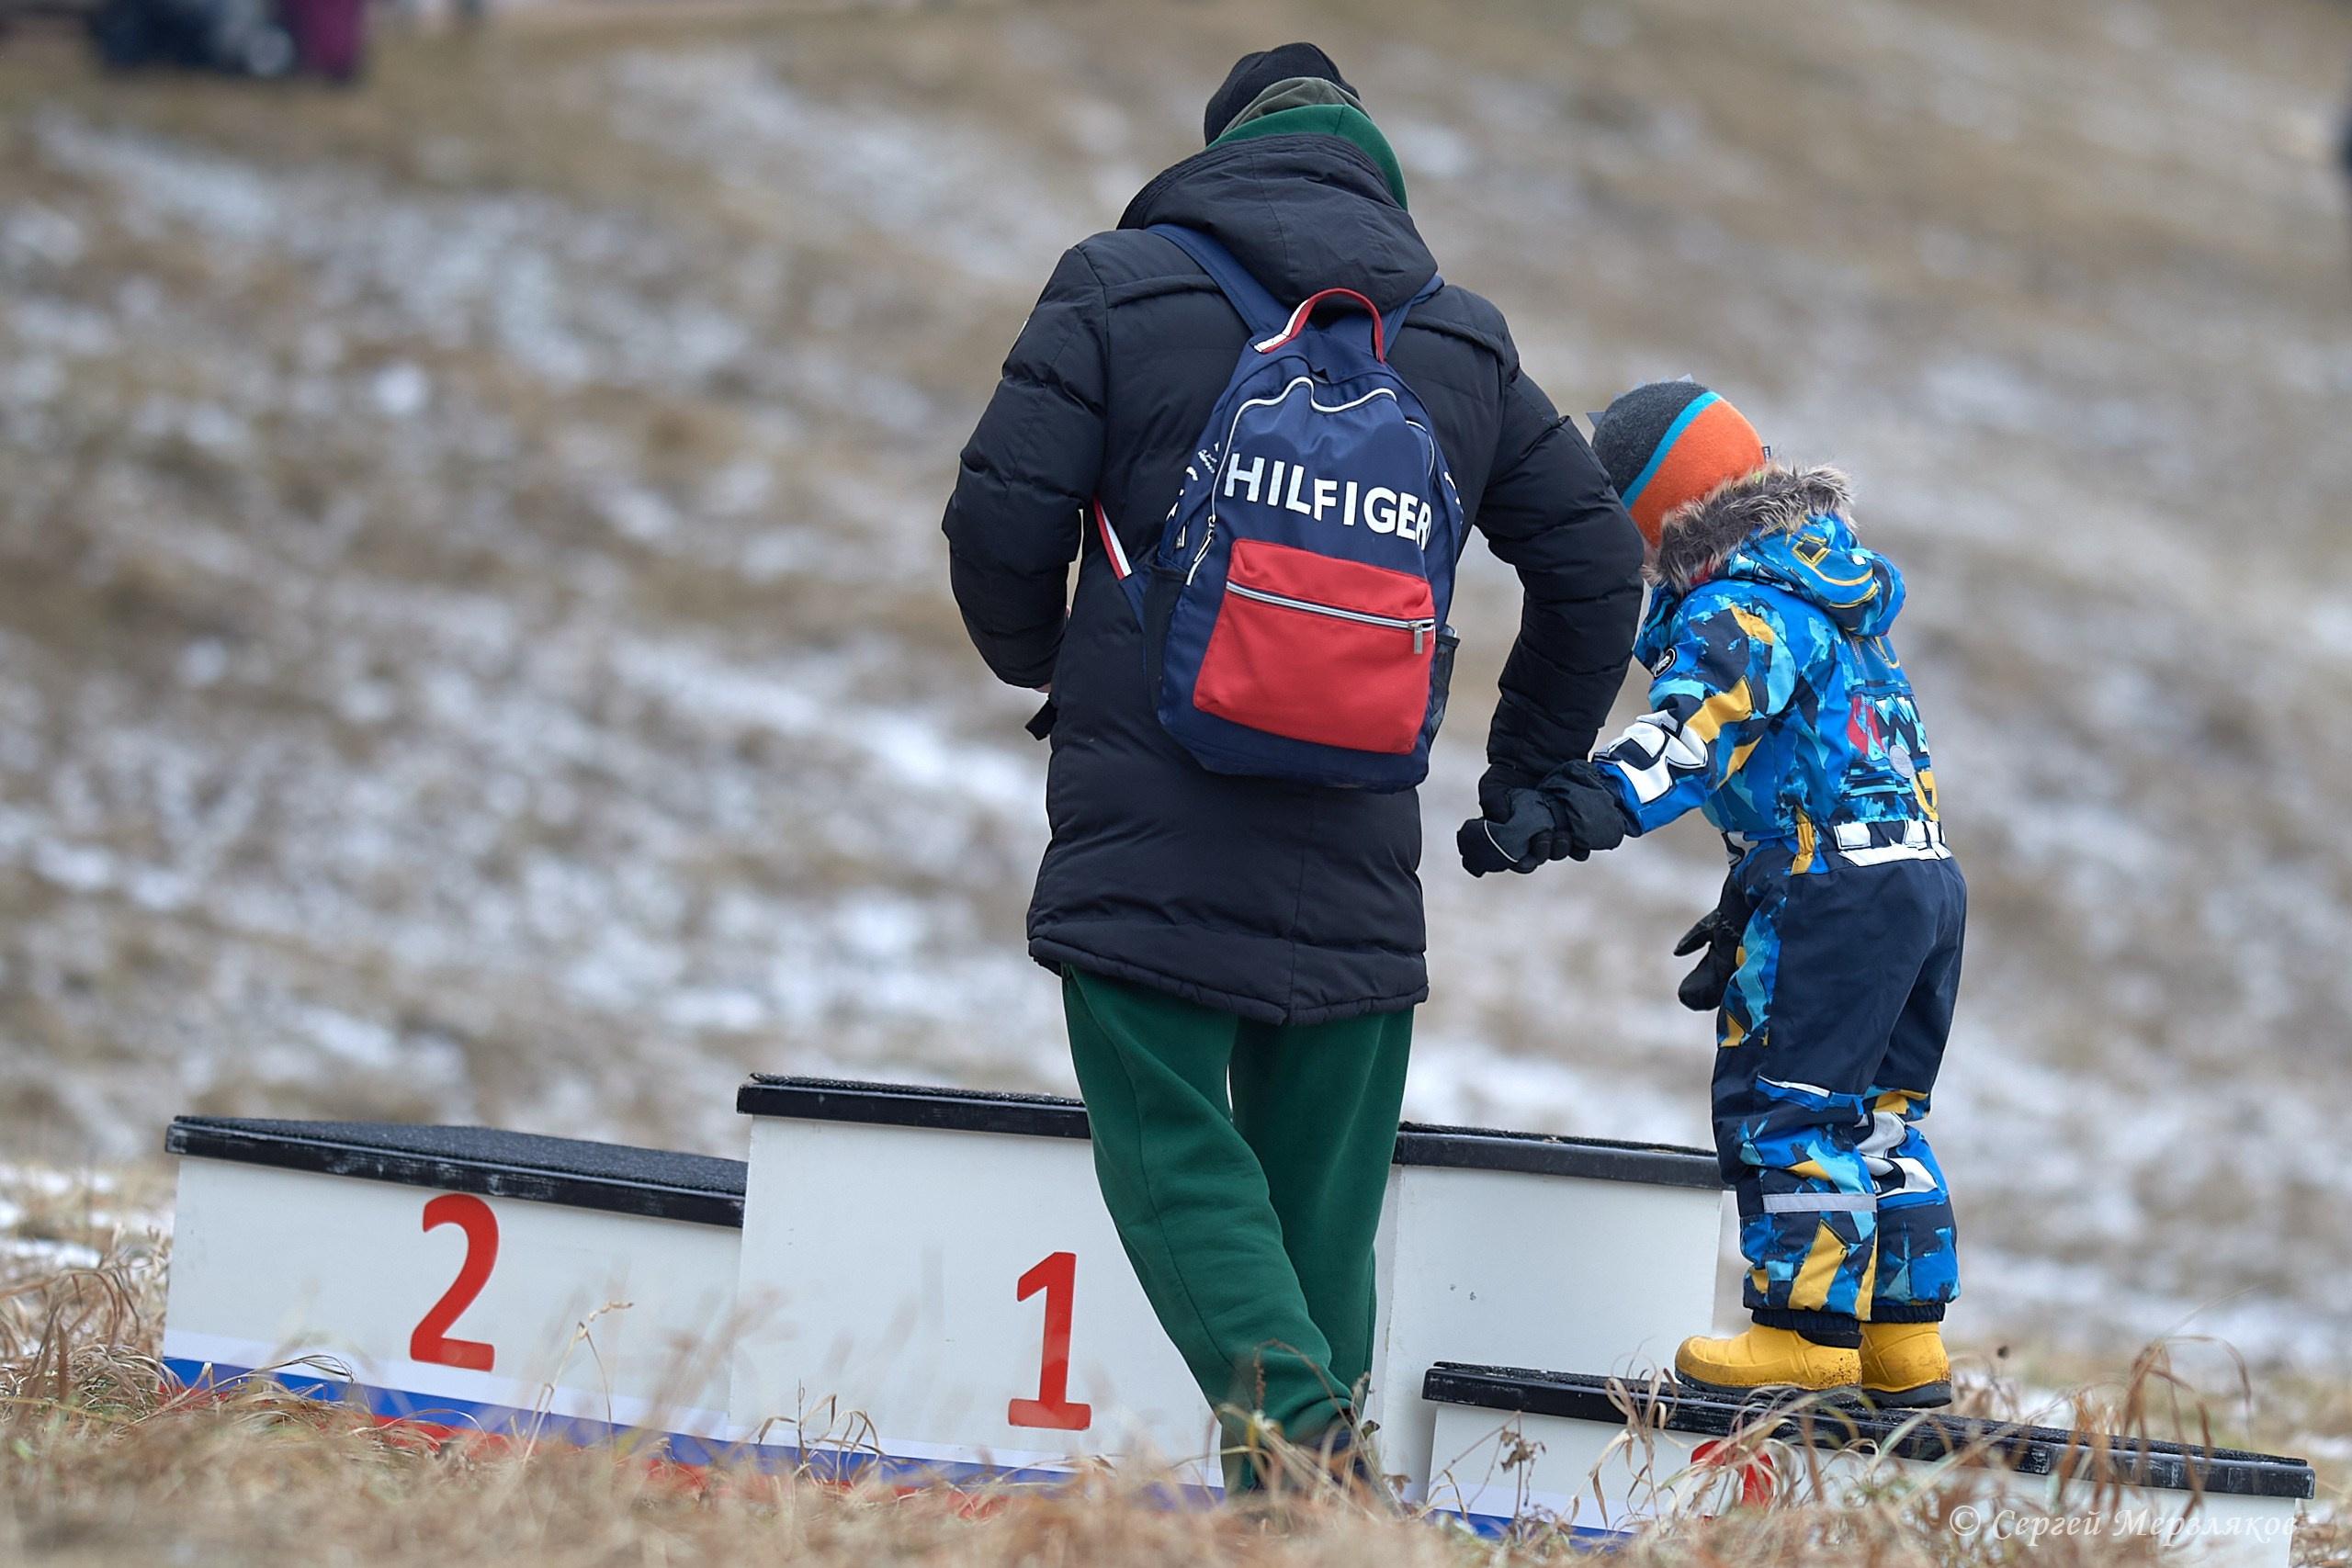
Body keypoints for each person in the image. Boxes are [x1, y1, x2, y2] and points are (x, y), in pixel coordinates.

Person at [944, 43, 1643, 1487]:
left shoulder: (1116, 288)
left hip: (1154, 809)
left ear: (1219, 156)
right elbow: (1593, 563)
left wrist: (1052, 663)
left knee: (1171, 1141)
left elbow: (995, 523)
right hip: (1357, 832)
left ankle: (1307, 1455)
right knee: (1321, 1200)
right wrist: (1526, 768)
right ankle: (1310, 1516)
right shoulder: (1458, 341)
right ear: (1375, 175)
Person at [1508, 381, 1965, 1406]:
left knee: (1787, 1102)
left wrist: (1575, 808)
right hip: (1921, 877)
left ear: (1653, 510)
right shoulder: (1837, 601)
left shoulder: (1741, 605)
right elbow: (1848, 762)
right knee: (1881, 1109)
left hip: (1833, 889)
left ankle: (1803, 1331)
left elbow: (1687, 736)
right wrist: (1754, 879)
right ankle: (1901, 1340)